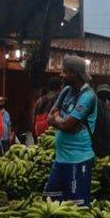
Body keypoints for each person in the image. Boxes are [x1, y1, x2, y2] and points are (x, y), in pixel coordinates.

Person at [44, 55, 98, 206]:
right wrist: (60, 120)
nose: (61, 75)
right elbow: (49, 118)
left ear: (75, 74)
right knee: (51, 201)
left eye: (65, 72)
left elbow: (66, 125)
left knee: (77, 205)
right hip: (61, 159)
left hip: (78, 159)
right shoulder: (67, 91)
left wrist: (59, 119)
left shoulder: (88, 96)